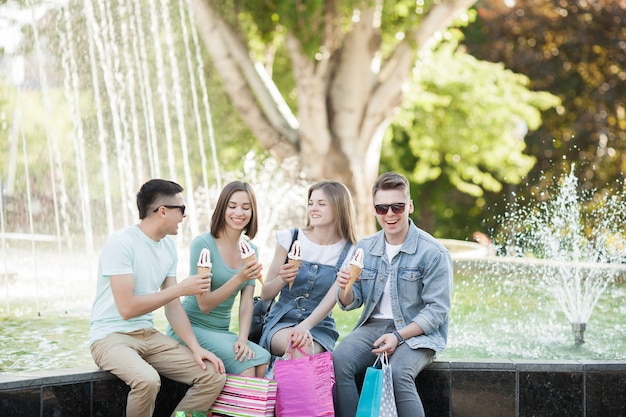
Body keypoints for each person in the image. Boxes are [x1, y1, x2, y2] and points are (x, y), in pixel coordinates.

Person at [89, 179, 227, 417]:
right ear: (162, 211)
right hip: (110, 337)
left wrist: (195, 348)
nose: (184, 217)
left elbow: (173, 307)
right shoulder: (121, 243)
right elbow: (127, 309)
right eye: (181, 210)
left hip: (148, 336)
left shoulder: (168, 248)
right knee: (147, 380)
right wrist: (181, 289)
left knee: (213, 375)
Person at [333, 172, 453, 417]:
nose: (390, 214)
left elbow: (437, 311)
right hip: (374, 326)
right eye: (382, 207)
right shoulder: (365, 248)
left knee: (399, 373)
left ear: (409, 206)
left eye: (397, 206)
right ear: (375, 210)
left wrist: (398, 336)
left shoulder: (433, 252)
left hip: (417, 332)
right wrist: (343, 287)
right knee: (339, 361)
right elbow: (351, 300)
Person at [166, 180, 270, 377]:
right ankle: (233, 409)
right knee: (247, 367)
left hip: (221, 331)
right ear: (222, 208)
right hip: (192, 327)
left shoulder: (251, 251)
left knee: (262, 359)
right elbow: (204, 304)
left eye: (245, 208)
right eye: (232, 206)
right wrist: (239, 277)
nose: (238, 213)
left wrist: (242, 338)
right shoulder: (203, 245)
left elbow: (246, 303)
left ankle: (246, 409)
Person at [259, 180, 358, 358]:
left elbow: (331, 301)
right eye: (311, 203)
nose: (313, 208)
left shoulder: (350, 251)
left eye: (321, 204)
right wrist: (282, 278)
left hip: (318, 326)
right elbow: (265, 294)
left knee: (301, 347)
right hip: (282, 320)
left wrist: (305, 327)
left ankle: (281, 384)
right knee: (296, 344)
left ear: (339, 208)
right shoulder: (289, 238)